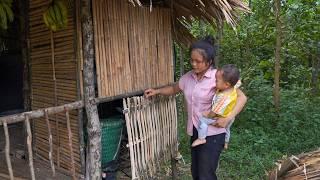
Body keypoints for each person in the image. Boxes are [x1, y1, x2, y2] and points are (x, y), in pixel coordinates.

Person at [144, 36, 247, 180]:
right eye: (192, 60)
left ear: (209, 61)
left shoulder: (218, 78)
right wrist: (157, 91)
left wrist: (228, 118)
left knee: (206, 175)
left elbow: (242, 97)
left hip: (213, 133)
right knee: (196, 172)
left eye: (198, 61)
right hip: (195, 131)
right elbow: (175, 88)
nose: (194, 64)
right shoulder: (188, 78)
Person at [191, 64, 241, 149]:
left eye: (217, 81)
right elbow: (238, 82)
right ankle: (226, 142)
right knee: (227, 129)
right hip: (230, 117)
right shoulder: (233, 86)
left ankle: (201, 138)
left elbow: (214, 113)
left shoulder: (222, 98)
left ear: (226, 84)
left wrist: (207, 114)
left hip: (220, 117)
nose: (215, 82)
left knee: (202, 121)